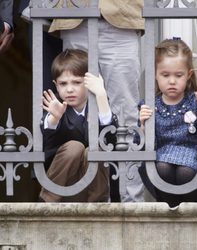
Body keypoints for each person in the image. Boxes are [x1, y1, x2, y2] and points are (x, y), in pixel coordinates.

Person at [47, 0, 145, 202]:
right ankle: (94, 200)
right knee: (79, 113)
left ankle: (132, 203)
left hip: (123, 14)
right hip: (75, 15)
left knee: (126, 118)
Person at [139, 38, 197, 207]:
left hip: (192, 155)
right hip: (162, 156)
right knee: (162, 168)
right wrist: (143, 124)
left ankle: (189, 211)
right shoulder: (150, 104)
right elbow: (141, 145)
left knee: (185, 172)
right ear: (155, 74)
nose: (172, 81)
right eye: (165, 75)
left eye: (178, 75)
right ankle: (171, 210)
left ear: (189, 75)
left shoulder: (194, 100)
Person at [39, 48, 118, 202]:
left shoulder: (98, 104)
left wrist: (101, 96)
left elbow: (111, 141)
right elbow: (48, 136)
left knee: (94, 150)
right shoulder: (56, 105)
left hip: (93, 190)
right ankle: (47, 203)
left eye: (76, 82)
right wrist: (55, 118)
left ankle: (98, 207)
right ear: (56, 85)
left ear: (88, 83)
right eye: (63, 83)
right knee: (75, 147)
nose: (69, 89)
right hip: (62, 187)